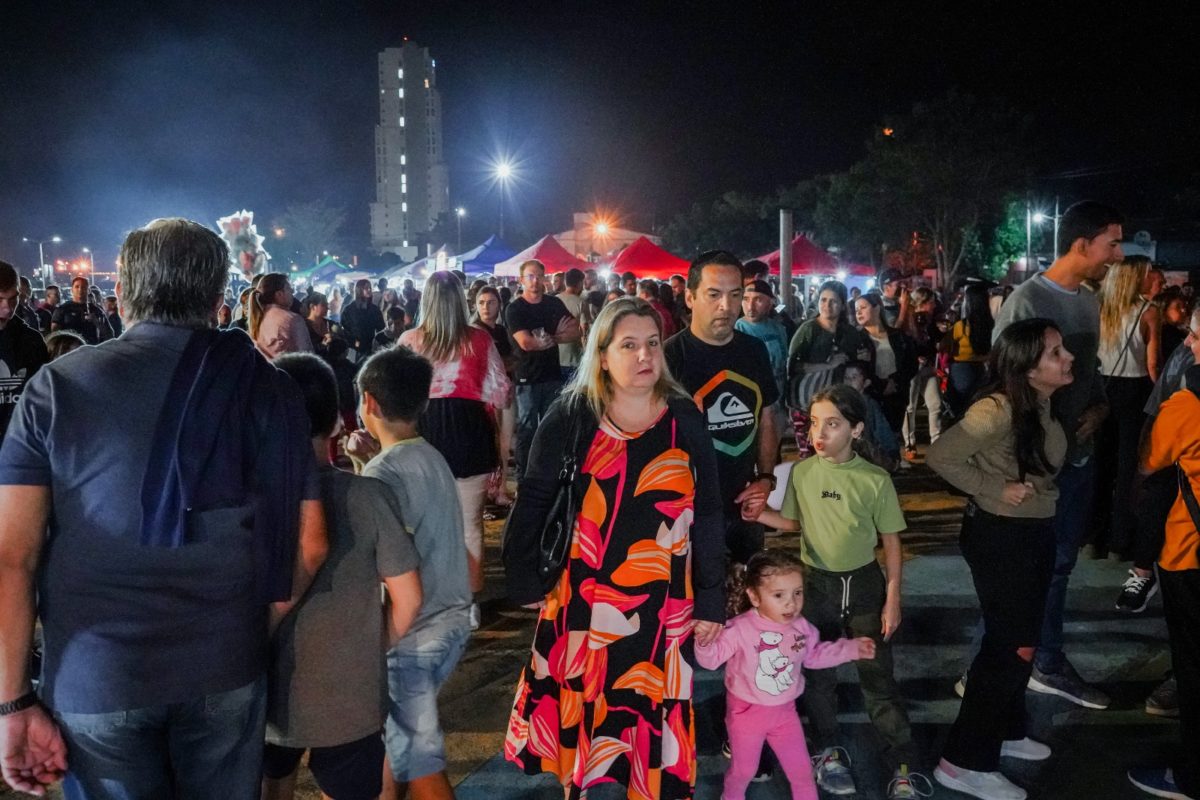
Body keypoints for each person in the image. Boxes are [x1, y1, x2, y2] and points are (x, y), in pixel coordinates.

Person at [0, 217, 327, 798]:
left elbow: (11, 558)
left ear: (122, 292)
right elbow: (310, 543)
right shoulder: (268, 387)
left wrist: (13, 702)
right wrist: (257, 626)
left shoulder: (56, 388)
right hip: (226, 661)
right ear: (217, 299)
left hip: (97, 676)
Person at [502, 297, 725, 799]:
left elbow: (709, 511)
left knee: (647, 711)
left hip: (663, 602)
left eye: (652, 344)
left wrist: (712, 597)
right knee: (581, 708)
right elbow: (535, 498)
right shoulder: (572, 415)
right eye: (629, 345)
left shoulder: (684, 419)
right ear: (602, 354)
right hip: (583, 593)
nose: (645, 355)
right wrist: (523, 576)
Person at [741, 384, 925, 799]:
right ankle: (828, 752)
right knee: (818, 678)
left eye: (834, 424)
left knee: (877, 679)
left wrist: (892, 598)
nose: (819, 434)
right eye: (815, 424)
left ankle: (902, 764)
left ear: (857, 430)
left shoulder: (875, 480)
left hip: (864, 587)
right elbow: (797, 523)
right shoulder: (803, 473)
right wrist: (762, 513)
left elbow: (892, 542)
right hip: (817, 588)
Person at [262, 353, 423, 800]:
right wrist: (369, 645)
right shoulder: (369, 496)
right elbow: (409, 600)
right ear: (337, 422)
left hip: (267, 693)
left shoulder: (255, 500)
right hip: (349, 698)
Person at [927, 319, 1072, 800]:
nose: (1066, 357)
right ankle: (963, 760)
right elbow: (941, 456)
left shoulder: (1037, 403)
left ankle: (1008, 729)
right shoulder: (998, 410)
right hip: (1002, 536)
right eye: (1055, 352)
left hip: (1029, 531)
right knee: (1011, 648)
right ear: (1029, 368)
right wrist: (996, 488)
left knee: (1016, 638)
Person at [991, 200, 1124, 710]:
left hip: (1080, 455)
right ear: (1081, 244)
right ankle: (1025, 662)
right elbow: (1003, 390)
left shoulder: (1089, 301)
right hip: (1039, 465)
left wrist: (1100, 409)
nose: (1116, 254)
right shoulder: (1025, 303)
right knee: (1032, 565)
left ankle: (1038, 657)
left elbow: (1089, 375)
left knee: (1061, 563)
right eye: (1111, 243)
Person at [352, 346, 472, 800]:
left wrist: (381, 640)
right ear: (422, 403)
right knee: (398, 739)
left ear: (369, 403)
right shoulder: (430, 457)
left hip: (414, 635)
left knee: (420, 758)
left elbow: (391, 554)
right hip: (453, 619)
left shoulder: (385, 473)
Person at [697, 549, 875, 800]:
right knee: (743, 771)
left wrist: (849, 649)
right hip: (746, 716)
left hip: (785, 716)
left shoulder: (801, 627)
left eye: (797, 593)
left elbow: (813, 656)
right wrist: (704, 641)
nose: (791, 603)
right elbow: (711, 660)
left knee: (802, 773)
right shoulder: (740, 628)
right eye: (779, 595)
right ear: (754, 597)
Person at [398, 272, 511, 629]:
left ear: (426, 300)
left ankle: (432, 600)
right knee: (469, 529)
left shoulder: (410, 341)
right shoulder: (479, 340)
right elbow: (502, 394)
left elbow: (393, 398)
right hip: (470, 435)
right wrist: (504, 455)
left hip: (424, 438)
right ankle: (468, 604)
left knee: (425, 528)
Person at [665, 251, 781, 564]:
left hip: (745, 506)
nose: (726, 306)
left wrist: (766, 479)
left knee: (745, 601)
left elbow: (767, 415)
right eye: (713, 295)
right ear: (690, 297)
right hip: (686, 511)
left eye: (735, 295)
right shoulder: (668, 356)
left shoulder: (754, 350)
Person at [1127, 364, 1200, 800]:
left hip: (1190, 552)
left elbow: (1150, 458)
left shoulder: (1188, 404)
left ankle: (1191, 776)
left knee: (1192, 665)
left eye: (1195, 336)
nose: (1188, 344)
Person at [1090, 256, 1162, 609]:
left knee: (1098, 464)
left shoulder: (1100, 308)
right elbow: (1151, 365)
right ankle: (1120, 542)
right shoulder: (1149, 311)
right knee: (1126, 467)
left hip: (1102, 387)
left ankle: (1092, 537)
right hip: (1134, 391)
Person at [504, 259, 581, 478]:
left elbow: (575, 332)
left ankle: (550, 472)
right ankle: (524, 477)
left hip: (552, 376)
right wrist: (554, 336)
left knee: (553, 426)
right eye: (530, 276)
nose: (535, 281)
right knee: (527, 429)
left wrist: (552, 338)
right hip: (527, 378)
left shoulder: (553, 304)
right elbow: (526, 343)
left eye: (539, 276)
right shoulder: (515, 308)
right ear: (521, 280)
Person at [786, 280, 868, 458]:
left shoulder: (850, 333)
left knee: (835, 455)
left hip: (837, 404)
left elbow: (857, 364)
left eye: (833, 301)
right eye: (823, 300)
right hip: (804, 403)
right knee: (809, 455)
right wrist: (827, 365)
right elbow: (792, 366)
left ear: (842, 305)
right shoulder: (808, 329)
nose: (827, 306)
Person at [854, 293, 918, 434]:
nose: (858, 312)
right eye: (856, 309)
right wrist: (881, 385)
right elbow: (857, 369)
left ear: (877, 308)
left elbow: (911, 364)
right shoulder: (856, 340)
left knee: (891, 437)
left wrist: (895, 382)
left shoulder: (898, 337)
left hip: (896, 397)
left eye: (863, 307)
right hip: (869, 396)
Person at [0, 261, 49, 440]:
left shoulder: (31, 341)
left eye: (13, 298)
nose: (7, 307)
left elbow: (42, 397)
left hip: (21, 445)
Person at [901, 286, 944, 459]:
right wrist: (914, 356)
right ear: (922, 302)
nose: (934, 305)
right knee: (910, 407)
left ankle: (937, 444)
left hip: (927, 368)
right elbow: (904, 341)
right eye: (931, 302)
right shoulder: (909, 320)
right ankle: (910, 444)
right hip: (912, 368)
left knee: (935, 404)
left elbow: (934, 340)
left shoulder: (930, 320)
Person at [836, 361, 901, 471]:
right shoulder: (837, 403)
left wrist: (893, 454)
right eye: (846, 377)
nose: (849, 381)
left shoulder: (869, 405)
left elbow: (882, 431)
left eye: (854, 377)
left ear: (866, 383)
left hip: (864, 455)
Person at [945, 283, 993, 419]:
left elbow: (946, 346)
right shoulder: (990, 325)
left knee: (961, 411)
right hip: (982, 370)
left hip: (962, 369)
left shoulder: (961, 326)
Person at [249, 273, 313, 359]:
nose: (292, 291)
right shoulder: (293, 320)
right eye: (288, 288)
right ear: (279, 294)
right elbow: (308, 357)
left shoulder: (259, 317)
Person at [50, 276, 114, 345]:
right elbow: (55, 335)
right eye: (77, 287)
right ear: (72, 290)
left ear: (88, 290)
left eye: (83, 287)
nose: (80, 290)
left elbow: (110, 334)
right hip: (70, 351)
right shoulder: (62, 309)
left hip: (91, 350)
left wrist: (96, 322)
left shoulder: (96, 310)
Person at [341, 279, 386, 358]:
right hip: (354, 348)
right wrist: (354, 342)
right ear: (359, 290)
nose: (369, 290)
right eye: (366, 288)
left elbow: (381, 327)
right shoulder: (349, 309)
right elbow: (344, 328)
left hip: (370, 347)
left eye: (370, 288)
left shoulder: (374, 309)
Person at [557, 268, 586, 381]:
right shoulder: (581, 303)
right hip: (573, 357)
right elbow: (584, 330)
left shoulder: (554, 300)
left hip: (556, 357)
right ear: (579, 283)